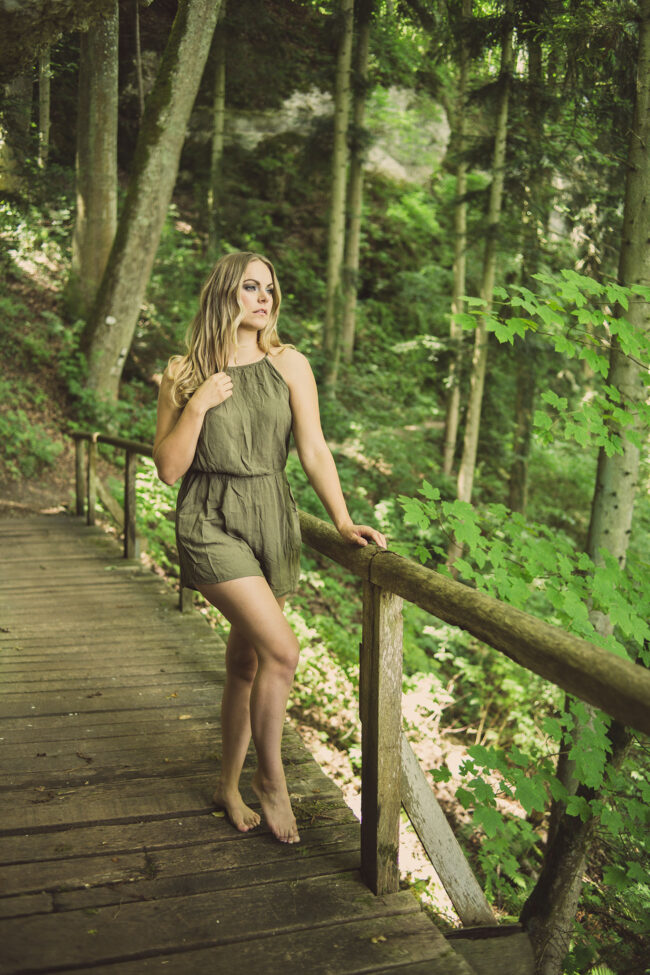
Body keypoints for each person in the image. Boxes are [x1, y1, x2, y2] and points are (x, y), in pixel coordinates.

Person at [153, 251, 386, 844]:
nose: (265, 297)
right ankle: (271, 777)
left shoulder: (289, 363)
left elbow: (313, 449)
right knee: (282, 652)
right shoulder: (183, 372)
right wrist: (199, 403)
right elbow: (168, 469)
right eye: (251, 287)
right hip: (209, 519)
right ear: (225, 292)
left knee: (246, 663)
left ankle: (226, 786)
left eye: (271, 288)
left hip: (271, 517)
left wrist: (342, 519)